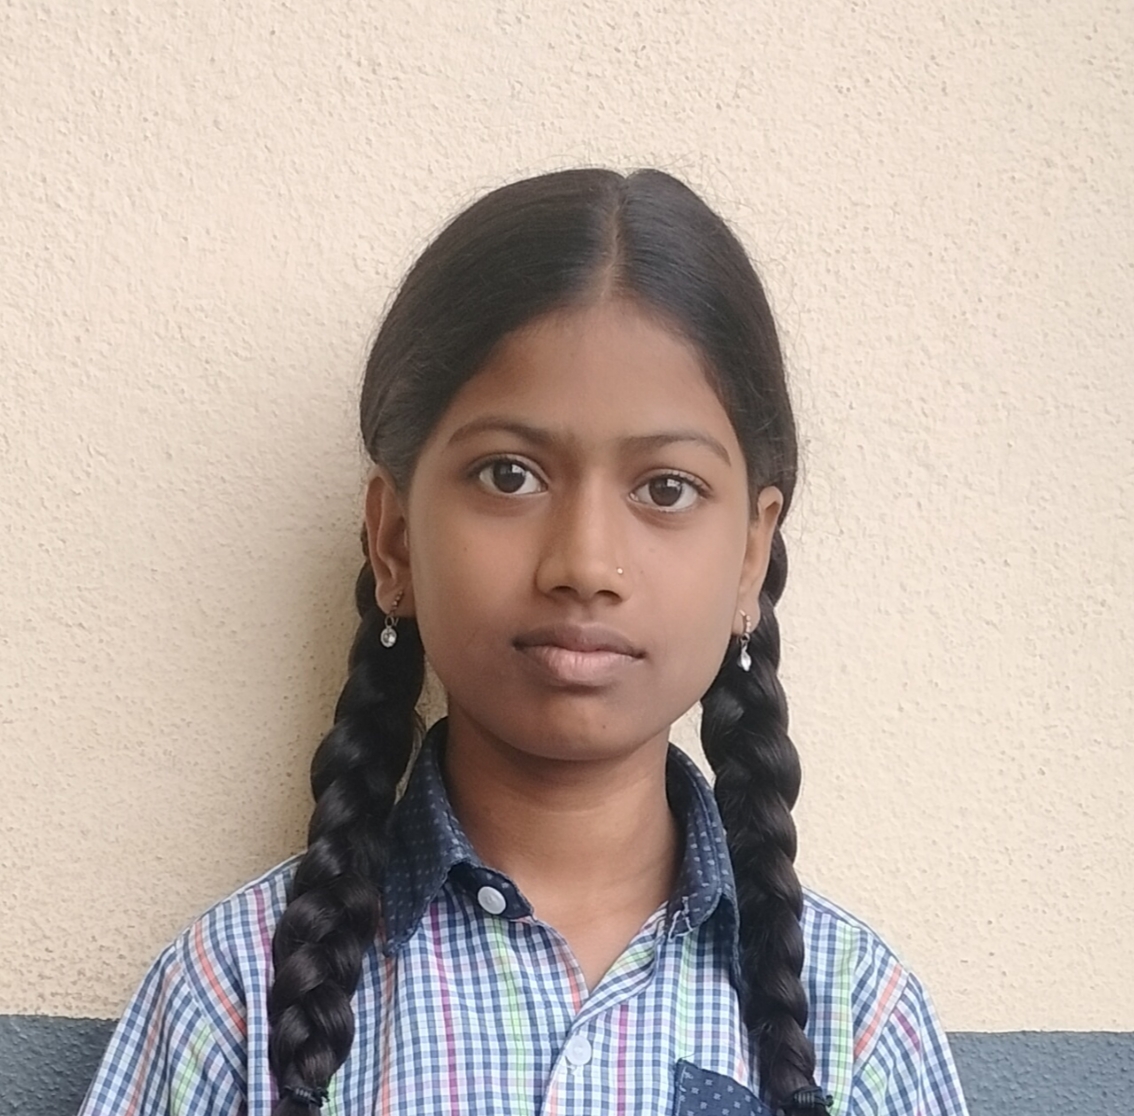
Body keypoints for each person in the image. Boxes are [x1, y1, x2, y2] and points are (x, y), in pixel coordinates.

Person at [79, 168, 968, 1116]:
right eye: (509, 475)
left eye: (665, 489)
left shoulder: (859, 1022)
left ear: (750, 557)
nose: (584, 563)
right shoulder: (229, 998)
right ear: (393, 540)